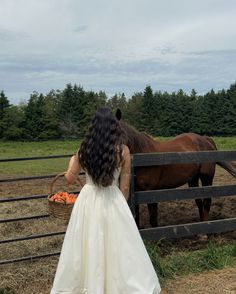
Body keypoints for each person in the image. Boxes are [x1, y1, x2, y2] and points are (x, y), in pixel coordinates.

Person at [50, 107, 161, 294]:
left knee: (86, 242)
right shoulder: (123, 151)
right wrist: (121, 206)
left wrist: (71, 161)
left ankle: (86, 286)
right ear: (113, 126)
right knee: (119, 245)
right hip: (112, 198)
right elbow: (124, 186)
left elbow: (69, 179)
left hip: (88, 199)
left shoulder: (83, 150)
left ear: (93, 126)